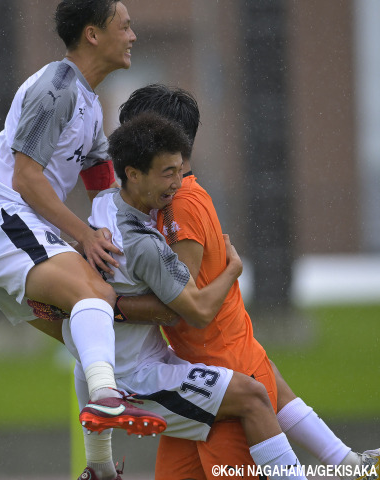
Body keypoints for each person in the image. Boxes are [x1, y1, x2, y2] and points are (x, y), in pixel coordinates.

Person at [116, 84, 379, 480]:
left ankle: (351, 465)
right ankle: (353, 466)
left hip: (221, 380)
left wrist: (107, 304)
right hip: (203, 373)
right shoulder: (176, 197)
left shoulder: (180, 205)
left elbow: (184, 304)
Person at [0, 0, 168, 457]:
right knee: (93, 297)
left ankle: (101, 466)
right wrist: (85, 236)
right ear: (93, 34)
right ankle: (111, 399)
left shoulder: (89, 102)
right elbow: (25, 177)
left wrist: (125, 229)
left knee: (90, 331)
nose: (133, 37)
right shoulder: (57, 87)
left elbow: (100, 184)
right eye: (125, 27)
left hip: (11, 230)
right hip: (8, 222)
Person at [68, 112, 313, 480]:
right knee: (252, 396)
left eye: (180, 171)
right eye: (168, 173)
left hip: (113, 366)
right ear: (133, 173)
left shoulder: (105, 202)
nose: (178, 184)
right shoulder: (144, 244)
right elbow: (194, 311)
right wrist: (232, 269)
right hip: (136, 380)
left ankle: (342, 458)